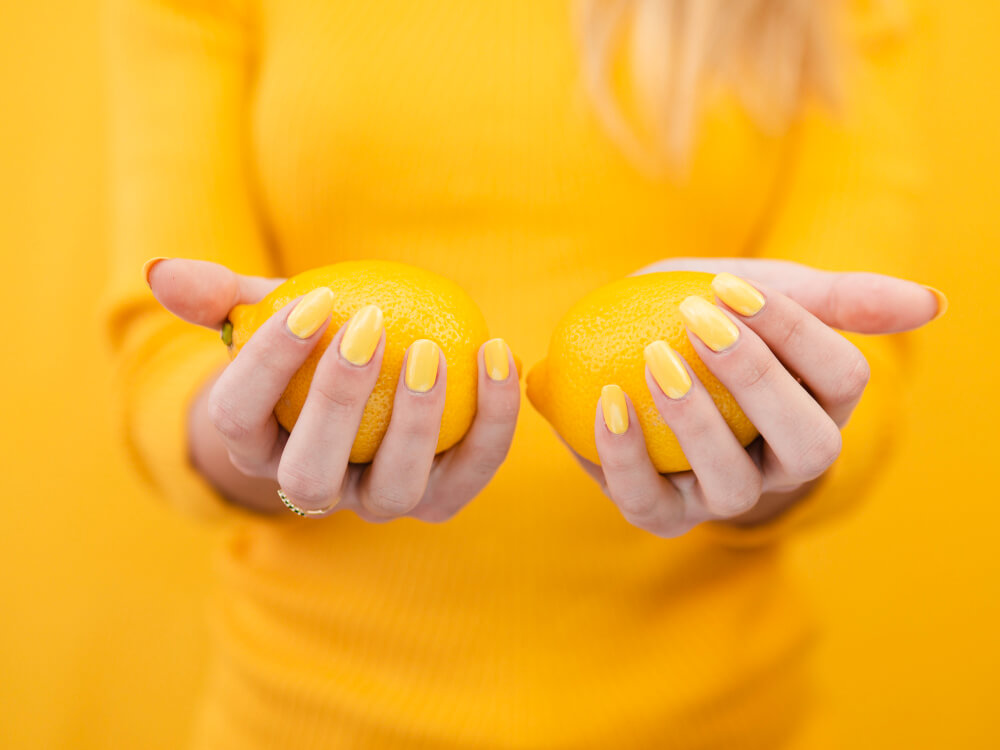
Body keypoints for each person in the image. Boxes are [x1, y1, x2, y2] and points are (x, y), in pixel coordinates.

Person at [101, 0, 942, 746]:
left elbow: (855, 374)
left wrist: (768, 464)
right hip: (306, 717)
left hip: (719, 722)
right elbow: (171, 358)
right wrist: (265, 443)